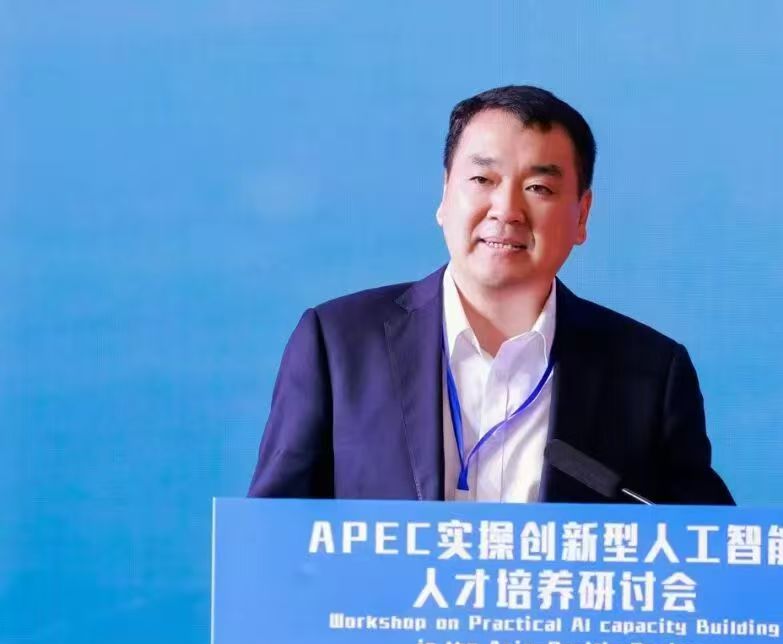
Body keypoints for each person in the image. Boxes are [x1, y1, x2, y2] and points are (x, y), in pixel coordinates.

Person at [248, 85, 734, 505]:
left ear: (582, 215)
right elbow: (271, 538)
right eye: (483, 180)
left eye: (539, 188)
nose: (507, 210)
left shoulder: (650, 374)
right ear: (445, 195)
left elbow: (710, 550)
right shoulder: (338, 346)